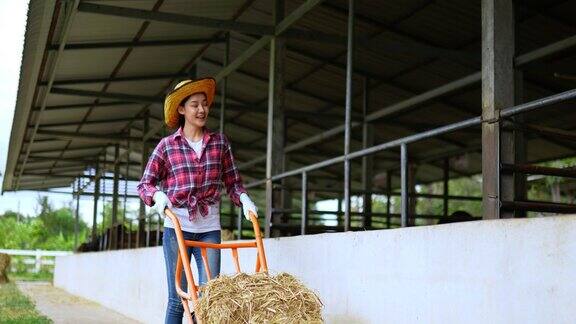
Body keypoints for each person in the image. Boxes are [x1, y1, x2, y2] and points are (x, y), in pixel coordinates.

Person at [137, 78, 258, 324]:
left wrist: (244, 199)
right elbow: (144, 184)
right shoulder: (167, 146)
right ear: (181, 109)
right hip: (177, 229)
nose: (201, 109)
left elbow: (233, 182)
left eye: (204, 104)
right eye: (194, 104)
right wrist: (157, 196)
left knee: (210, 297)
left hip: (209, 229)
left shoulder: (220, 143)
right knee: (177, 299)